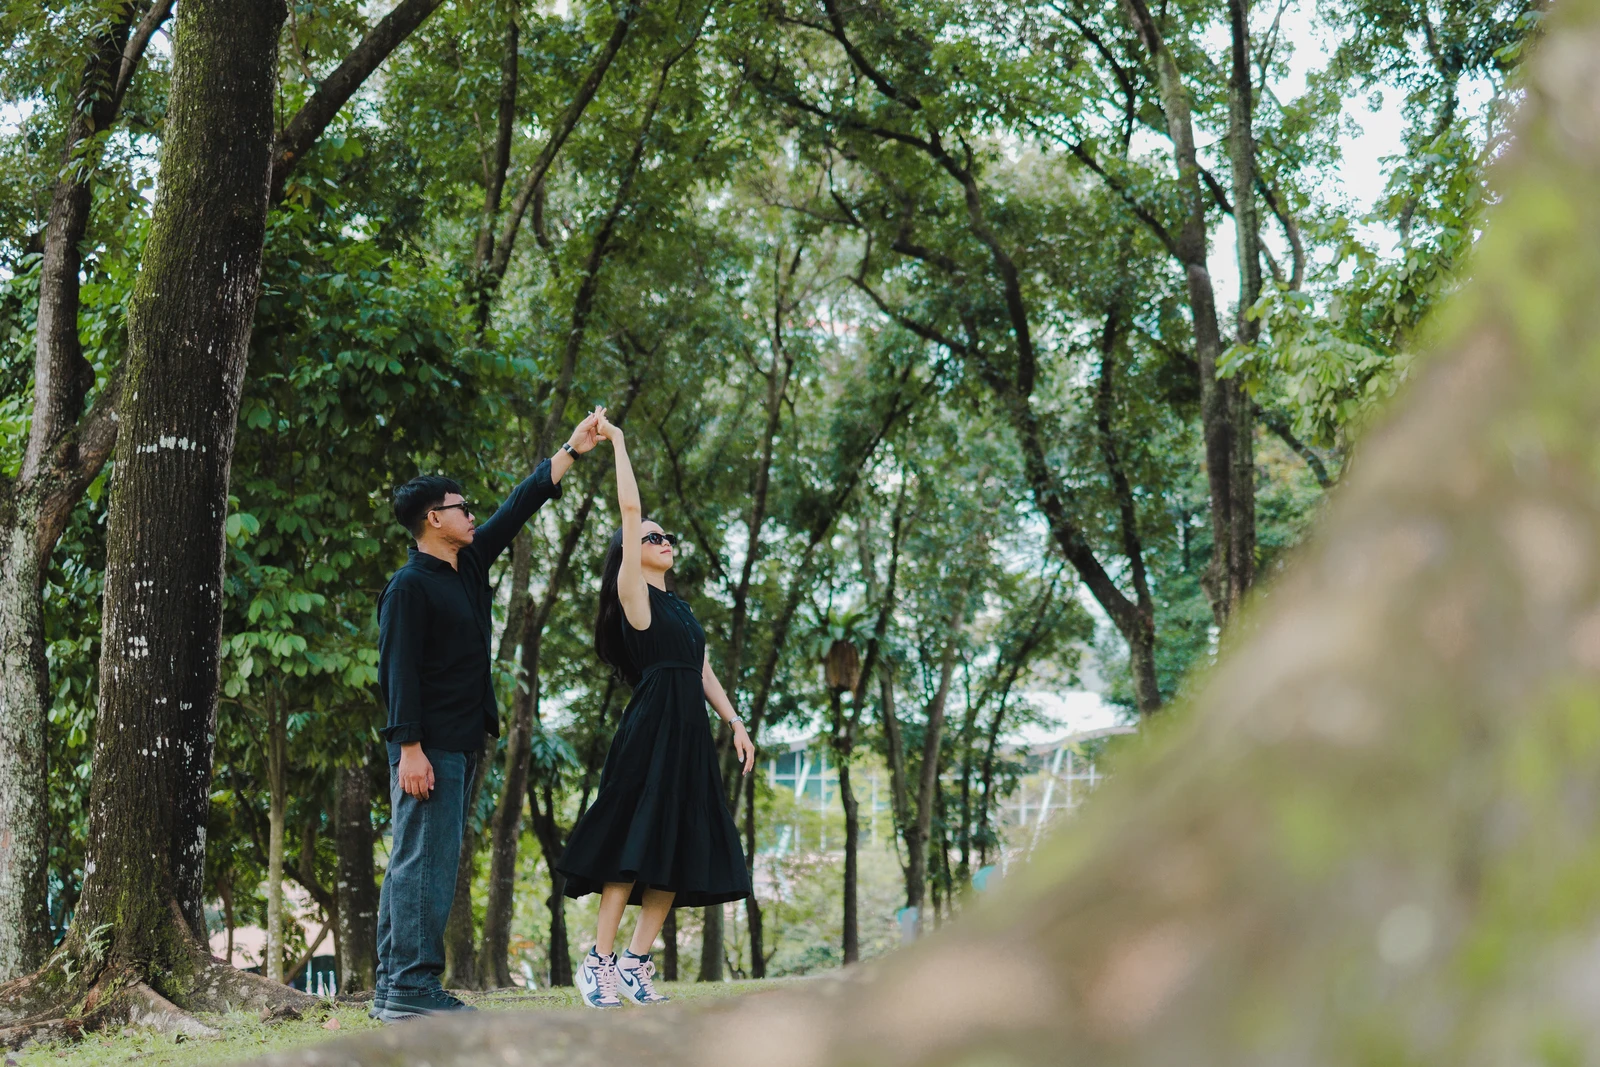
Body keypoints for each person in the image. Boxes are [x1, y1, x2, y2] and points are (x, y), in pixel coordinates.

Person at [371, 409, 604, 1022]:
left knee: (418, 860)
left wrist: (571, 449)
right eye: (461, 507)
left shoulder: (468, 565)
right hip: (427, 745)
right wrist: (410, 748)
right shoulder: (409, 586)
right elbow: (397, 672)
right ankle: (411, 986)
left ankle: (392, 987)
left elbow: (520, 505)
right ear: (434, 518)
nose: (472, 515)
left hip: (461, 739)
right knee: (425, 863)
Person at [556, 412, 756, 1008]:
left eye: (667, 538)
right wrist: (617, 442)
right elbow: (629, 509)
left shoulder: (683, 611)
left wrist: (735, 721)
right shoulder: (633, 594)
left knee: (676, 844)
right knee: (632, 843)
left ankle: (636, 963)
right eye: (652, 537)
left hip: (690, 734)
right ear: (629, 551)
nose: (664, 542)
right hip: (649, 730)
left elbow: (702, 670)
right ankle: (599, 962)